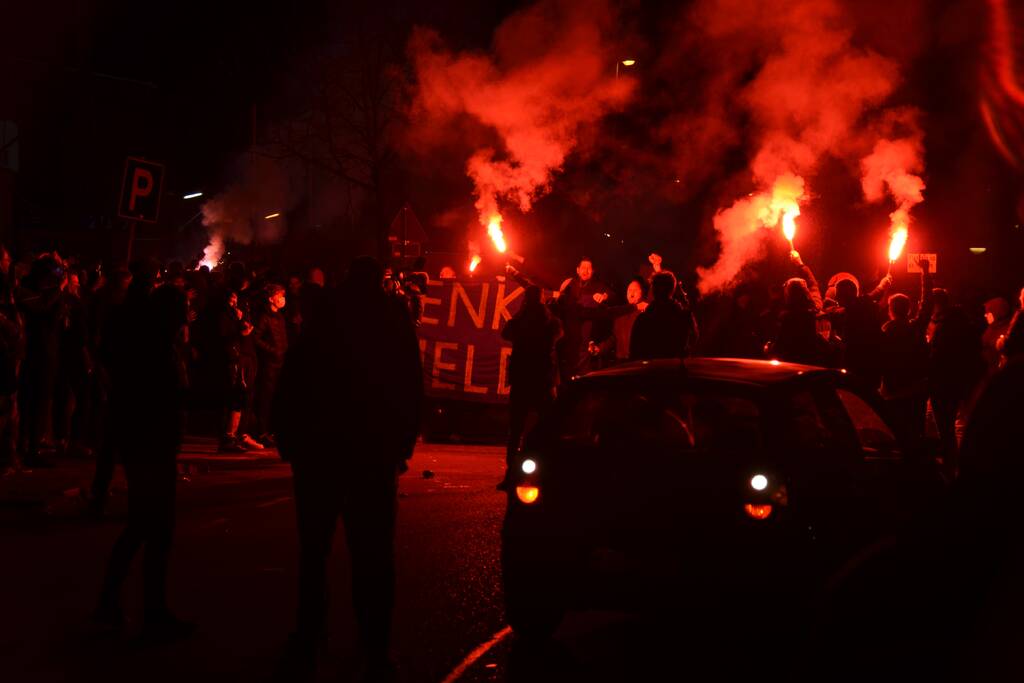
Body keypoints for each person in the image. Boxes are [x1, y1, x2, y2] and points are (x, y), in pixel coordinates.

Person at [273, 256, 422, 681]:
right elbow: (409, 382)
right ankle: (374, 648)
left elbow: (294, 373)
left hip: (320, 452)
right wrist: (403, 441)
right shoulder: (390, 318)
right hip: (370, 455)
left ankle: (308, 640)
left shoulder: (327, 315)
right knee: (373, 555)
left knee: (314, 553)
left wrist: (287, 434)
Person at [95, 261, 193, 641]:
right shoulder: (153, 349)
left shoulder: (154, 344)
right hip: (149, 443)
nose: (186, 319)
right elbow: (160, 397)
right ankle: (145, 609)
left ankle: (122, 602)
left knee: (146, 526)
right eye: (182, 312)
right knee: (151, 526)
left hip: (147, 441)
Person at [501, 285, 563, 469]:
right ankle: (547, 468)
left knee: (516, 430)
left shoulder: (521, 320)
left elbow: (506, 333)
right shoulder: (550, 321)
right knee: (548, 426)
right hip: (542, 380)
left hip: (522, 380)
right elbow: (559, 333)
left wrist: (521, 314)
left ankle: (511, 473)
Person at [927, 287, 984, 480]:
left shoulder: (945, 327)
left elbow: (939, 357)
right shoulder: (962, 322)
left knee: (946, 428)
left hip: (944, 383)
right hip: (962, 383)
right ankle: (960, 465)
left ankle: (951, 470)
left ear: (937, 305)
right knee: (958, 426)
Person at [878, 259, 933, 443]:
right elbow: (927, 304)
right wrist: (925, 272)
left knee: (895, 432)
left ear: (890, 310)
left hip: (891, 390)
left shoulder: (884, 333)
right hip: (915, 388)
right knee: (915, 430)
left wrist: (882, 288)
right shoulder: (915, 329)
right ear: (909, 310)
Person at [829, 271, 892, 391]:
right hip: (873, 365)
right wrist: (883, 285)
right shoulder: (867, 307)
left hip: (857, 367)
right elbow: (873, 295)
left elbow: (849, 342)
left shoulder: (850, 311)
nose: (836, 297)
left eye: (839, 294)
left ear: (846, 295)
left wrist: (836, 342)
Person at [766, 251, 828, 365]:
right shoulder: (816, 309)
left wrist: (769, 348)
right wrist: (800, 263)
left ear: (788, 295)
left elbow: (779, 348)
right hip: (813, 365)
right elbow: (813, 285)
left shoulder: (787, 319)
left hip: (792, 368)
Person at [555, 258, 611, 382]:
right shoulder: (570, 285)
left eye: (589, 268)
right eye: (583, 268)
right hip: (568, 341)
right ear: (578, 270)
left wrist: (604, 296)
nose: (585, 271)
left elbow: (611, 296)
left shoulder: (598, 286)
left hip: (586, 342)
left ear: (593, 271)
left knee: (584, 378)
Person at [630, 271, 696, 360]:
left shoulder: (644, 319)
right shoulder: (684, 317)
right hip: (676, 371)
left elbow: (634, 352)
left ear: (653, 290)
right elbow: (692, 342)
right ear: (672, 289)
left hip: (649, 372)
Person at [253, 283, 288, 445]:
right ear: (270, 299)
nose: (282, 298)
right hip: (269, 364)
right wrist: (272, 350)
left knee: (277, 398)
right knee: (266, 398)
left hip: (280, 362)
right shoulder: (264, 317)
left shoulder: (280, 316)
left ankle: (272, 431)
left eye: (283, 295)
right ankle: (262, 432)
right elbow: (256, 338)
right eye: (279, 295)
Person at [589, 276, 648, 363]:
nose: (631, 292)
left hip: (639, 361)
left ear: (642, 293)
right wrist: (600, 348)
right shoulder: (621, 313)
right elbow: (615, 338)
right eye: (629, 290)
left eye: (635, 290)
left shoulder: (645, 311)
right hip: (621, 360)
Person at [980, 296, 1012, 374]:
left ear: (996, 313)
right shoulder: (991, 328)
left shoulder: (1007, 330)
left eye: (988, 312)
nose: (985, 315)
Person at [997, 287, 1024, 362]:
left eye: (1021, 295)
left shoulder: (1021, 317)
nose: (1019, 298)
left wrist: (1000, 342)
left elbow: (1008, 344)